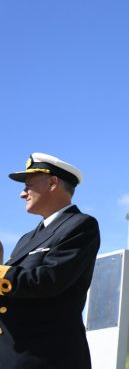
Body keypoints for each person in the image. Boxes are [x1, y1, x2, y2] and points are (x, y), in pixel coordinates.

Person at [0, 153, 100, 369]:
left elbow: (49, 279)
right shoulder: (26, 239)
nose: (22, 193)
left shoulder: (80, 226)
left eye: (28, 186)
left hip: (49, 357)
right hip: (14, 355)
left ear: (53, 182)